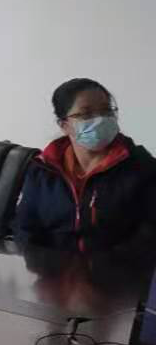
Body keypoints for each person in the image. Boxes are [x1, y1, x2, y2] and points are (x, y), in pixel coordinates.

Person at [13, 78, 156, 255]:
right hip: (53, 268)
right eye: (86, 114)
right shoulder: (43, 168)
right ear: (64, 125)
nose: (100, 120)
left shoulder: (141, 166)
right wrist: (43, 263)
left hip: (118, 269)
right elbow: (24, 226)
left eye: (106, 111)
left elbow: (149, 233)